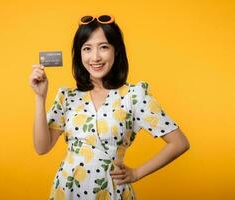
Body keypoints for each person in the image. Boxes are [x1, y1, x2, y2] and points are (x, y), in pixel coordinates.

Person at [29, 15, 190, 200]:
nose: (95, 57)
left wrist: (137, 173)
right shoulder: (67, 97)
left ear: (116, 51)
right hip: (67, 190)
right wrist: (40, 97)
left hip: (111, 192)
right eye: (87, 49)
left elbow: (180, 143)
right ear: (79, 54)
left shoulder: (134, 96)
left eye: (103, 47)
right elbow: (41, 147)